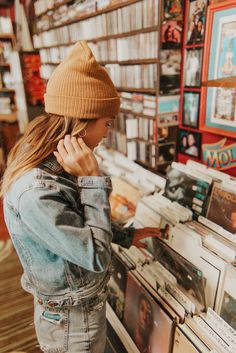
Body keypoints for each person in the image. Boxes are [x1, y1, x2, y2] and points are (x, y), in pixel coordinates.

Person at [1, 41, 160, 353]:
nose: (105, 134)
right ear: (82, 121)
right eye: (106, 124)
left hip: (73, 311)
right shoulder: (37, 190)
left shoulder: (51, 165)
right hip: (72, 322)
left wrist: (126, 236)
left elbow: (74, 223)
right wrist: (93, 180)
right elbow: (95, 257)